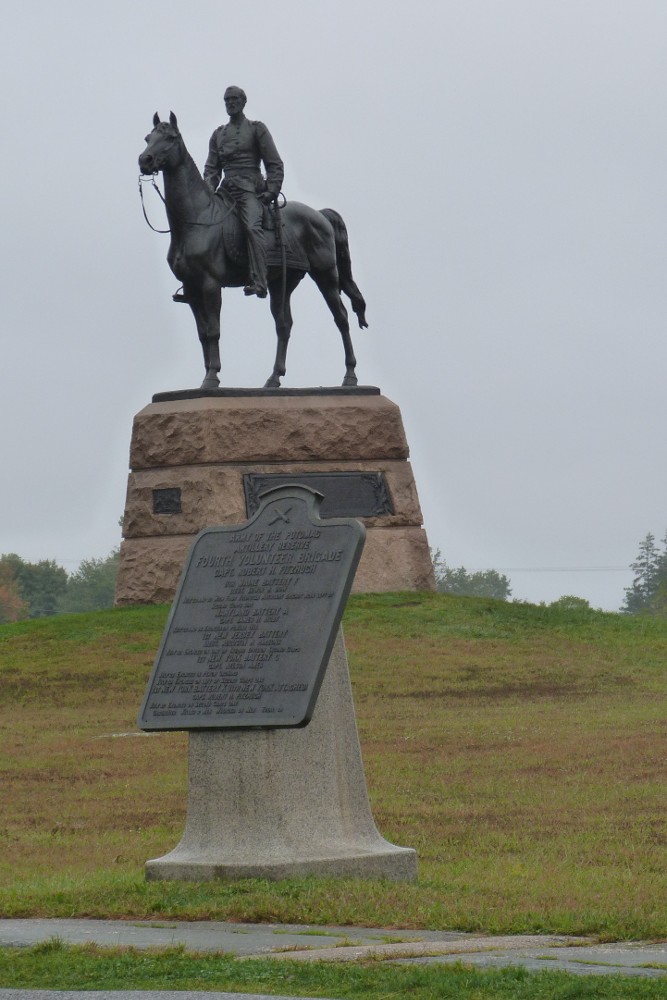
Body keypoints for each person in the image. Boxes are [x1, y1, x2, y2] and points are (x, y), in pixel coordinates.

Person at [203, 86, 284, 298]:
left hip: (250, 188)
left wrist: (272, 190)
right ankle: (194, 276)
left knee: (251, 226)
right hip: (226, 190)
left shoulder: (257, 129)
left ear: (243, 102)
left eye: (234, 99)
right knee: (202, 223)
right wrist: (208, 190)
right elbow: (212, 169)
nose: (230, 103)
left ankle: (259, 280)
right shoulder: (218, 134)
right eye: (227, 100)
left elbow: (274, 164)